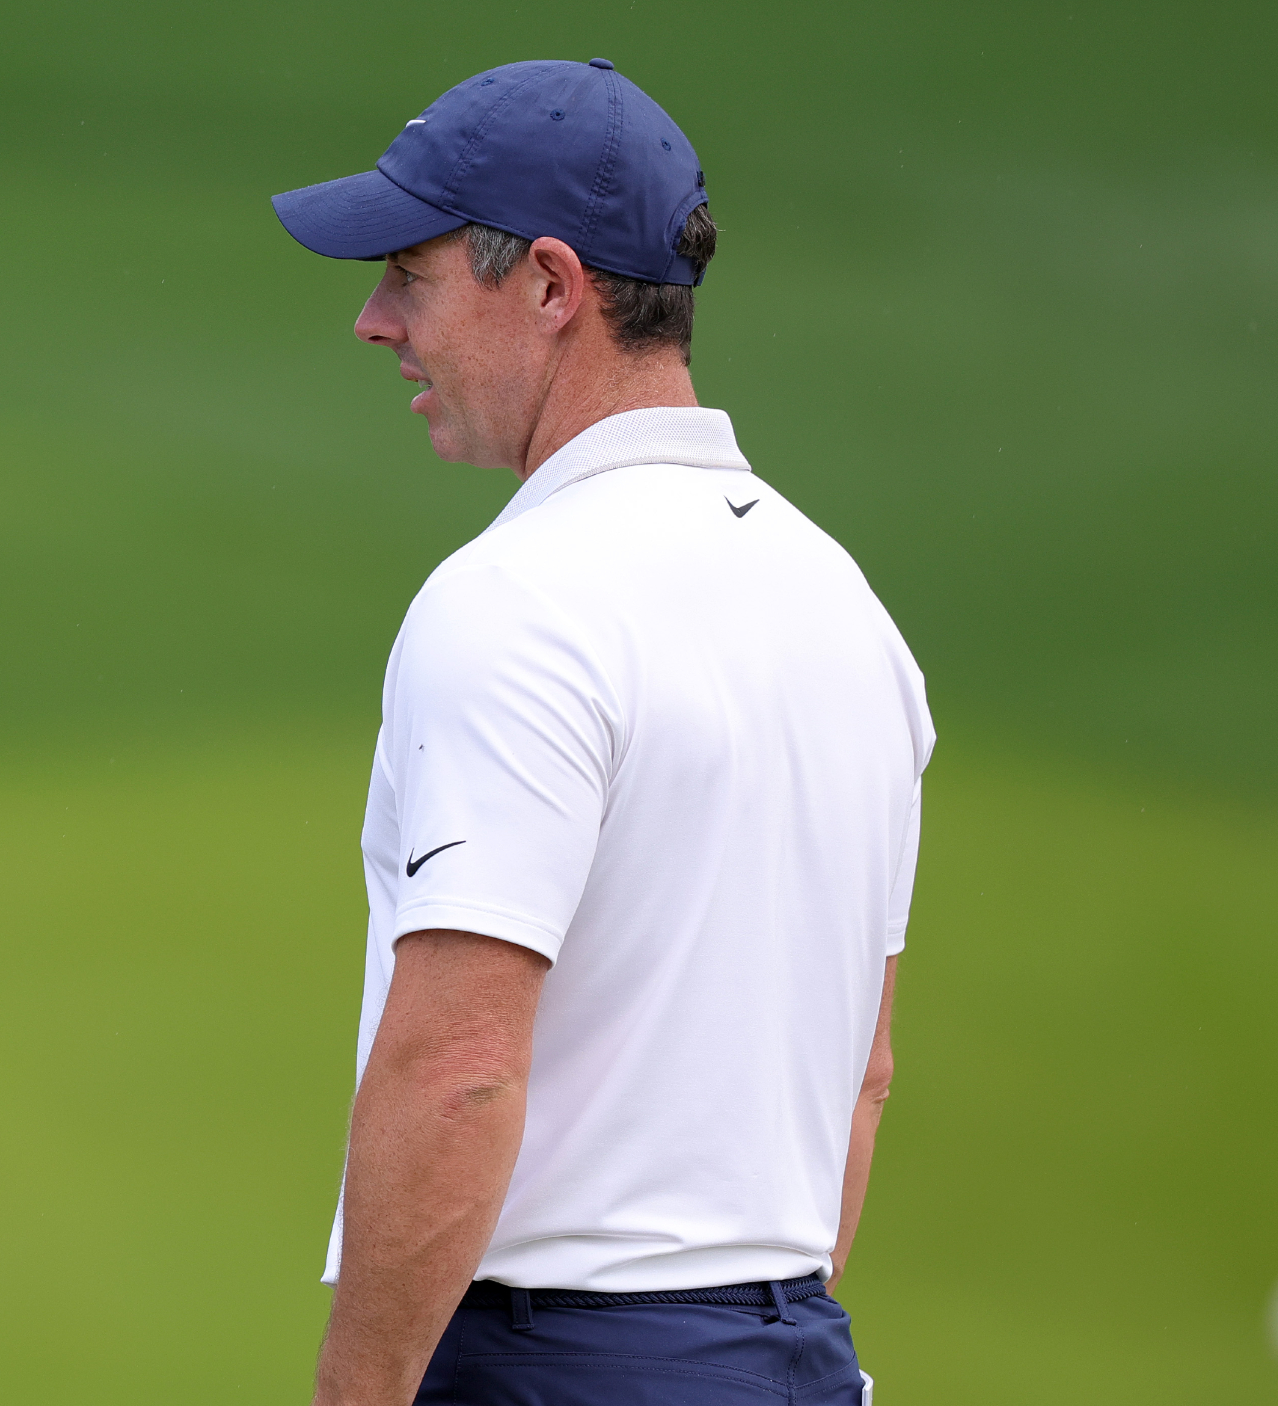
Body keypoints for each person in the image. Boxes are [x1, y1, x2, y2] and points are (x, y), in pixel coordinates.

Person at [270, 58, 929, 1405]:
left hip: (555, 1364)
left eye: (411, 273)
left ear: (554, 287)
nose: (372, 320)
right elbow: (864, 1066)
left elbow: (457, 1068)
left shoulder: (514, 603)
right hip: (796, 1357)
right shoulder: (849, 611)